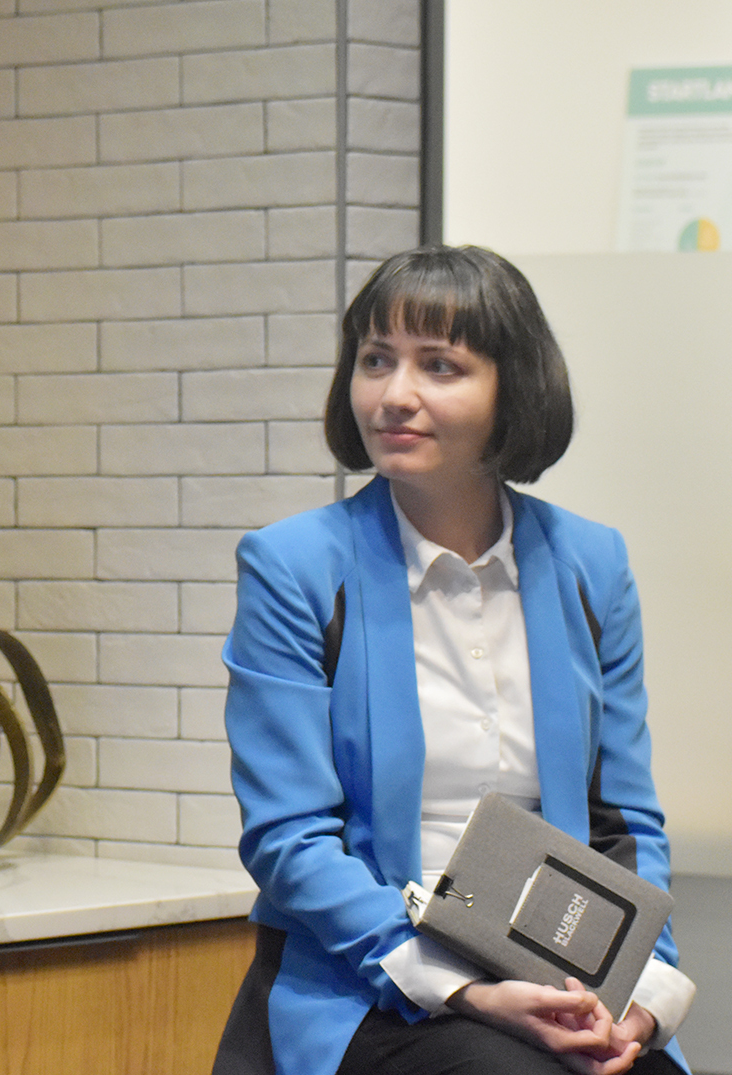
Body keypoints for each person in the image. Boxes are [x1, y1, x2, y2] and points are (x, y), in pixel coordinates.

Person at [213, 246, 694, 1075]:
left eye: (440, 366)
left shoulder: (592, 564)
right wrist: (465, 986)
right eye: (375, 360)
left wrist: (643, 989)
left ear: (516, 388)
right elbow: (289, 839)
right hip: (373, 979)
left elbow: (624, 821)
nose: (395, 394)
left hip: (557, 971)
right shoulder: (293, 566)